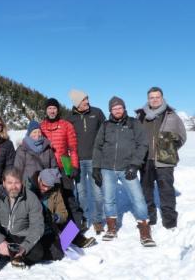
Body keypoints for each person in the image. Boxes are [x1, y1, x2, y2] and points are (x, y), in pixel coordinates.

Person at [92, 96, 156, 247]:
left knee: (138, 199)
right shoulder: (106, 125)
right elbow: (98, 146)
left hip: (128, 168)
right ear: (110, 110)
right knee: (109, 199)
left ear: (124, 108)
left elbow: (143, 144)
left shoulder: (133, 123)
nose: (117, 110)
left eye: (120, 108)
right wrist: (96, 167)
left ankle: (145, 231)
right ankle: (112, 228)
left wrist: (135, 164)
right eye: (114, 108)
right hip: (108, 168)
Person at [40, 98, 92, 245]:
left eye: (54, 108)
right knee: (51, 201)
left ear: (58, 110)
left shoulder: (66, 125)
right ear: (46, 110)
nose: (52, 111)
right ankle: (54, 233)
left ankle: (74, 234)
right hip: (47, 169)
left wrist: (74, 167)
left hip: (64, 166)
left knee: (69, 200)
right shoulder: (41, 126)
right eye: (49, 108)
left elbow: (73, 149)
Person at [136, 87, 187, 229]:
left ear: (162, 98)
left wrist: (170, 149)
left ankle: (169, 222)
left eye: (157, 97)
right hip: (145, 160)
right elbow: (135, 137)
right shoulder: (140, 116)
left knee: (166, 191)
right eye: (151, 97)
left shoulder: (171, 115)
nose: (154, 99)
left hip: (165, 161)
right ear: (148, 99)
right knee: (146, 191)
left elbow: (182, 136)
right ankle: (150, 218)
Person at [0, 167, 44, 269]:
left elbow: (37, 227)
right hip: (2, 232)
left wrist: (24, 248)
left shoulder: (31, 198)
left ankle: (16, 257)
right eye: (10, 183)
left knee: (38, 252)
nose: (13, 186)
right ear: (4, 183)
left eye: (17, 182)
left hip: (19, 235)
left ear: (22, 182)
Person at [67, 90, 106, 234]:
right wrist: (69, 164)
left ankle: (97, 220)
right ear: (76, 103)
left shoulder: (97, 113)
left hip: (95, 160)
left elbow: (105, 133)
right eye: (83, 100)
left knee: (98, 193)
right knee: (81, 194)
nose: (87, 102)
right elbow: (65, 142)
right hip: (77, 162)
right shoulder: (69, 118)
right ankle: (83, 219)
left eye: (87, 99)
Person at [27, 169, 67, 260]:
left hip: (49, 228)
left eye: (49, 187)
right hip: (32, 230)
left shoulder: (55, 191)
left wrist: (56, 217)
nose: (45, 189)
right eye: (44, 185)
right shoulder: (28, 189)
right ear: (39, 179)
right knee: (38, 253)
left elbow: (63, 213)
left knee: (59, 254)